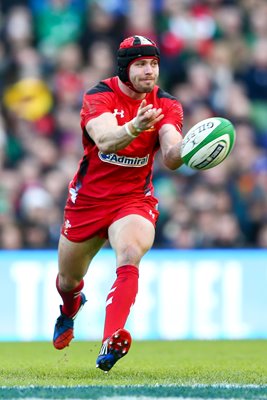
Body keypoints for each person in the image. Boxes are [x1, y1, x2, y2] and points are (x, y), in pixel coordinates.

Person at [53, 35, 184, 372]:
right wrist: (135, 126)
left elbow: (170, 152)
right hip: (88, 201)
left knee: (130, 254)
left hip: (133, 199)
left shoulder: (167, 104)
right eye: (141, 64)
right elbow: (105, 139)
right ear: (125, 68)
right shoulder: (99, 96)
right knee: (68, 279)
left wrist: (186, 150)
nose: (149, 71)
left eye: (154, 64)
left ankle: (110, 340)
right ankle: (70, 307)